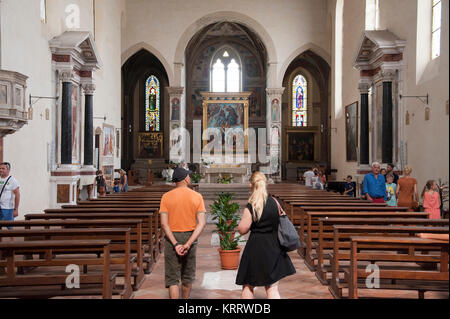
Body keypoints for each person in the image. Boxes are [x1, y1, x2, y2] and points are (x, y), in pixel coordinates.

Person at [236, 172, 296, 299]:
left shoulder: (252, 205)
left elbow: (242, 229)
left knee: (248, 285)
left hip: (255, 248)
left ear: (251, 185)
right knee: (272, 288)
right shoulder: (275, 202)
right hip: (274, 247)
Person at [159, 167, 206, 299]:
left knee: (172, 279)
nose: (190, 178)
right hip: (190, 236)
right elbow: (201, 223)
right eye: (189, 176)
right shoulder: (197, 196)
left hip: (171, 237)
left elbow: (164, 224)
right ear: (185, 178)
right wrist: (188, 243)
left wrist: (175, 244)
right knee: (187, 276)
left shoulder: (166, 197)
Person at [0, 162, 20, 229]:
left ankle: (12, 239)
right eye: (0, 168)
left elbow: (17, 195)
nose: (1, 170)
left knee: (10, 228)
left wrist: (16, 209)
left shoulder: (13, 180)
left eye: (3, 168)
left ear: (8, 170)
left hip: (8, 208)